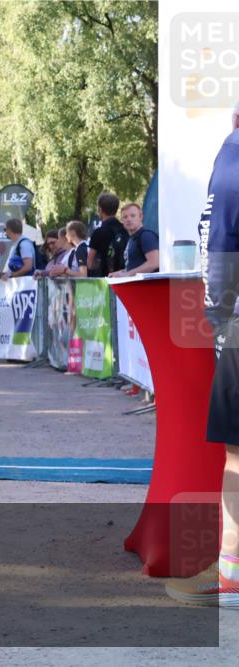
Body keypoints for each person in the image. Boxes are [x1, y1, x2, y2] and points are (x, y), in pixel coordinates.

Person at [166, 102, 239, 609]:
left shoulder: (234, 155)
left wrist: (219, 317)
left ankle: (233, 576)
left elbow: (219, 245)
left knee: (238, 452)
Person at [110, 203, 159, 277]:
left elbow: (154, 263)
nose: (129, 219)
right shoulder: (131, 239)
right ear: (122, 221)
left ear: (141, 217)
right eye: (125, 217)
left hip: (148, 286)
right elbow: (134, 266)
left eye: (133, 216)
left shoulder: (146, 235)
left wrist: (127, 274)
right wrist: (121, 272)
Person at [87, 192, 129, 277]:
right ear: (116, 209)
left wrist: (101, 262)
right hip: (125, 277)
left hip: (106, 279)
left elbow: (90, 263)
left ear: (100, 210)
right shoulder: (125, 229)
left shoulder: (98, 232)